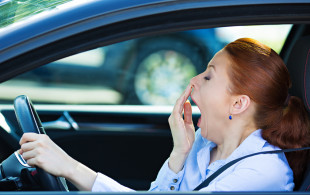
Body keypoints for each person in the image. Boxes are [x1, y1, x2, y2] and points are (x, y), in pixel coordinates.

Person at [19, 38, 310, 191]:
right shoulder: (205, 145)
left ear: (238, 105)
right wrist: (179, 153)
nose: (192, 81)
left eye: (208, 77)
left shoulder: (261, 174)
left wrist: (70, 168)